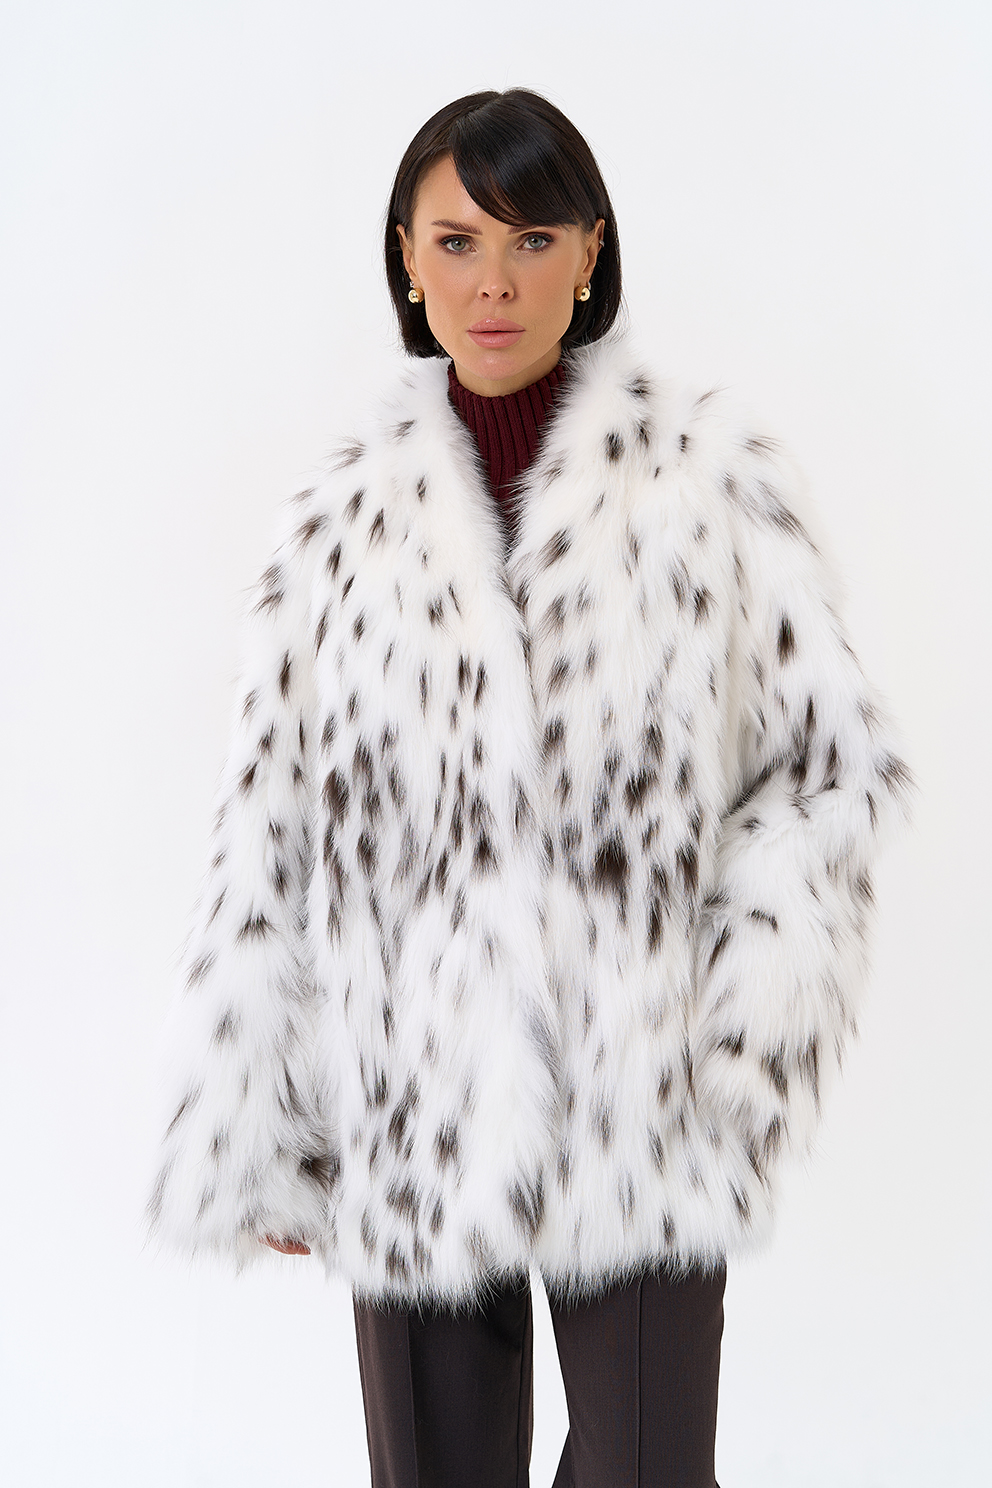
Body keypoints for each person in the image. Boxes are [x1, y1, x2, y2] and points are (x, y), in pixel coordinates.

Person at [148, 89, 914, 1488]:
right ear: (406, 259)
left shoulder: (709, 484)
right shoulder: (338, 525)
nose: (492, 282)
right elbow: (268, 828)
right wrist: (269, 1118)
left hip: (644, 1104)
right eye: (456, 242)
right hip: (415, 1108)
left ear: (589, 250)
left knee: (650, 1466)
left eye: (531, 238)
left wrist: (735, 1042)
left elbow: (824, 774)